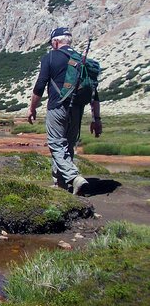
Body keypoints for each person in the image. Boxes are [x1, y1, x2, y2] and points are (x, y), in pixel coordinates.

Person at [27, 27, 103, 195]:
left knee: (55, 143)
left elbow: (40, 85)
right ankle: (60, 184)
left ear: (55, 42)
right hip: (77, 108)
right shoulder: (80, 60)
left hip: (57, 106)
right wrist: (96, 119)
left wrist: (32, 108)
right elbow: (94, 93)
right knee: (67, 146)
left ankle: (75, 178)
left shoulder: (50, 57)